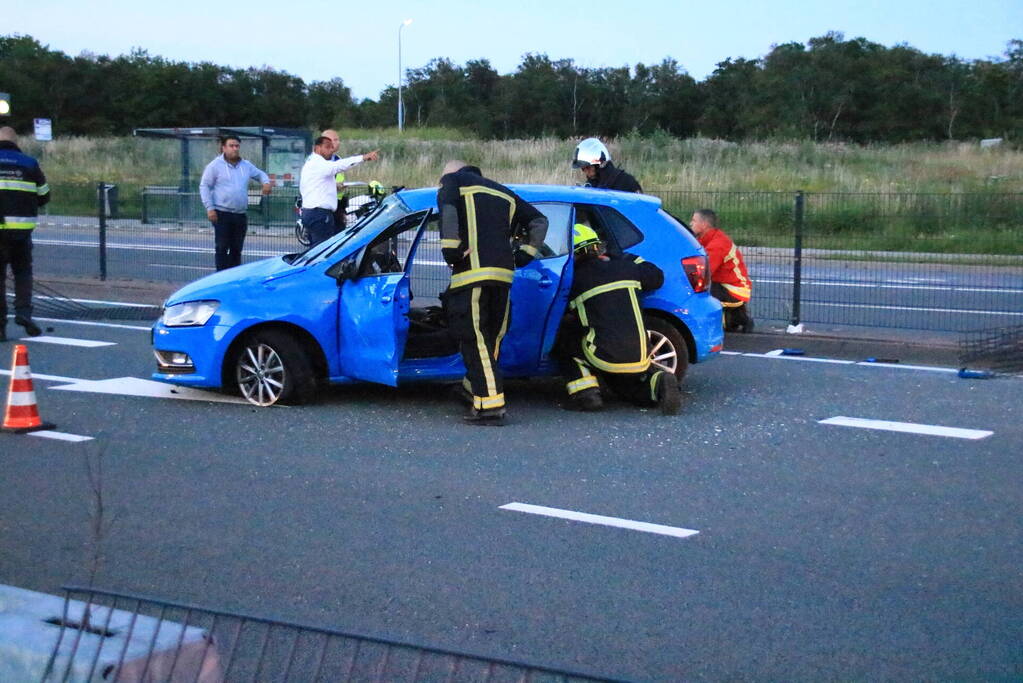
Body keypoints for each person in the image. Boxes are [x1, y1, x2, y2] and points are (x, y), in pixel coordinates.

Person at [438, 160, 548, 426]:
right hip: (503, 278)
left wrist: (450, 250)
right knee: (490, 341)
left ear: (453, 172)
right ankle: (471, 388)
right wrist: (525, 254)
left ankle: (490, 407)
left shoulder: (453, 182)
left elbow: (448, 210)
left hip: (472, 275)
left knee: (474, 339)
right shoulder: (504, 192)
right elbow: (539, 220)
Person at [556, 223, 681, 415]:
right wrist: (629, 258)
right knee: (628, 390)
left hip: (603, 355)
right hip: (640, 354)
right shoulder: (626, 267)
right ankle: (658, 383)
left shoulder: (574, 281)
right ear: (597, 247)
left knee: (563, 342)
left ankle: (586, 394)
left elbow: (563, 314)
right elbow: (656, 277)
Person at [0, 126, 49, 341]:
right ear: (16, 142)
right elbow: (44, 195)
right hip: (21, 232)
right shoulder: (29, 163)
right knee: (23, 274)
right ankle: (23, 313)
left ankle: (0, 326)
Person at [199, 135, 271, 271]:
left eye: (237, 146)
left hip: (239, 214)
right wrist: (210, 208)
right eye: (231, 146)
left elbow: (260, 174)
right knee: (222, 247)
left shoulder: (245, 165)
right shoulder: (215, 166)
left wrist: (266, 182)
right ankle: (220, 277)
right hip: (222, 212)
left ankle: (234, 276)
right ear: (224, 148)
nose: (235, 149)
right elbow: (204, 186)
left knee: (236, 249)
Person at [300, 136, 378, 247]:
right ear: (317, 148)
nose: (331, 150)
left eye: (332, 147)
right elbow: (339, 165)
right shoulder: (319, 163)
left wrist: (334, 186)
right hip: (319, 214)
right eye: (327, 147)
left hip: (310, 212)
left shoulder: (311, 163)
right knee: (322, 251)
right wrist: (363, 157)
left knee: (315, 250)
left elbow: (316, 184)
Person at [689, 209, 754, 332]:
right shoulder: (708, 239)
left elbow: (704, 273)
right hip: (728, 286)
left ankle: (709, 326)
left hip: (735, 289)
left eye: (694, 220)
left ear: (704, 224)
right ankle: (737, 319)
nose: (690, 223)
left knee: (699, 292)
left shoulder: (717, 244)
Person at [571, 137, 642, 192]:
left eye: (588, 167)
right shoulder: (591, 185)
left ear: (600, 164)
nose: (586, 172)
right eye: (583, 169)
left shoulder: (626, 181)